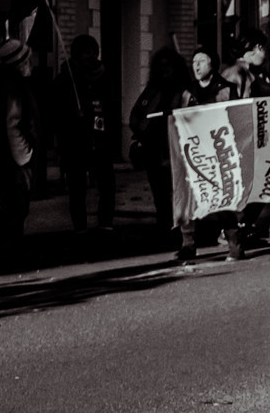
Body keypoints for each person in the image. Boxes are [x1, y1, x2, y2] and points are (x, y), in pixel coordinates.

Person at [128, 46, 198, 262]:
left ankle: (186, 238)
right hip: (155, 151)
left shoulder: (186, 92)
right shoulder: (152, 90)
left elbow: (196, 117)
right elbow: (136, 116)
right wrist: (142, 130)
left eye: (169, 66)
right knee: (160, 195)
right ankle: (166, 231)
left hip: (178, 151)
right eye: (161, 66)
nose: (165, 70)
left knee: (181, 194)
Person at [180, 48, 244, 261]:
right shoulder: (188, 91)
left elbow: (235, 118)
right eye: (194, 61)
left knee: (222, 197)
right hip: (194, 153)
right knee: (189, 197)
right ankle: (188, 244)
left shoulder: (227, 89)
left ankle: (234, 243)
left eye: (202, 61)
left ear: (213, 65)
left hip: (218, 153)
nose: (196, 66)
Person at [0, 37, 42, 258]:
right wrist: (24, 157)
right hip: (14, 160)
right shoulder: (13, 87)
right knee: (17, 206)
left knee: (12, 206)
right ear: (20, 63)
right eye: (28, 59)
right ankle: (5, 251)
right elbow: (13, 124)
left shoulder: (2, 84)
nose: (32, 63)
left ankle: (7, 248)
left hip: (6, 159)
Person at [58, 34, 116, 238]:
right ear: (76, 54)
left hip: (101, 138)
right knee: (77, 187)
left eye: (93, 51)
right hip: (76, 141)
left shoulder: (104, 75)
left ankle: (106, 223)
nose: (90, 56)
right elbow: (57, 111)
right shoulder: (68, 77)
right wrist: (75, 115)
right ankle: (80, 226)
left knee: (107, 183)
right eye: (85, 52)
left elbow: (111, 105)